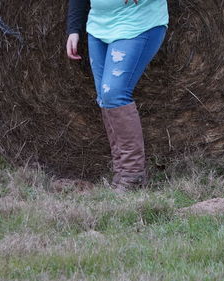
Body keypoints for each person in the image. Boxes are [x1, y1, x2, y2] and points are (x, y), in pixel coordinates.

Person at [66, 0, 169, 191]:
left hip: (137, 24)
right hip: (99, 27)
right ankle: (121, 174)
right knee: (105, 98)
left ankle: (133, 177)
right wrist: (74, 29)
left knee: (114, 94)